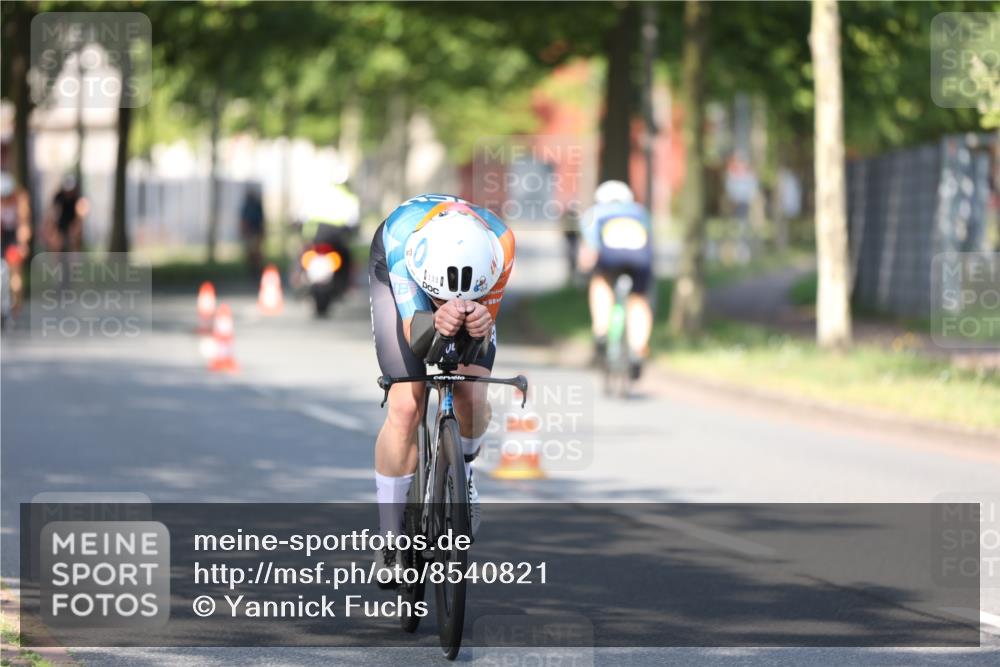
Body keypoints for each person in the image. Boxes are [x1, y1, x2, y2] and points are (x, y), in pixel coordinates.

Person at [368, 194, 515, 585]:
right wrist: (434, 318)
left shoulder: (500, 246)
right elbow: (413, 337)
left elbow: (478, 336)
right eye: (441, 296)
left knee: (471, 392)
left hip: (476, 284)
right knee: (406, 402)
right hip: (401, 276)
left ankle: (463, 473)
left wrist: (478, 319)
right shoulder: (403, 247)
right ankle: (389, 538)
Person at [577, 180, 654, 380]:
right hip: (640, 259)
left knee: (600, 281)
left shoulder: (596, 212)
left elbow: (590, 249)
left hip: (610, 257)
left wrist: (584, 269)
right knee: (639, 299)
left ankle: (601, 330)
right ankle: (639, 348)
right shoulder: (640, 212)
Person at [1, 171, 32, 319]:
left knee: (15, 273)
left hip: (13, 238)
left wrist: (23, 244)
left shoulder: (20, 201)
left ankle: (15, 305)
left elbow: (23, 225)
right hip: (2, 236)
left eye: (7, 197)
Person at [46, 174, 87, 252]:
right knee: (56, 243)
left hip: (72, 222)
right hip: (60, 223)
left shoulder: (77, 198)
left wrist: (76, 227)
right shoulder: (59, 197)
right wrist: (52, 227)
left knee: (74, 243)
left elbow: (81, 213)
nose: (69, 194)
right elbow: (53, 212)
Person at [239, 184, 265, 279]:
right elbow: (243, 219)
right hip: (249, 232)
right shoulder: (246, 205)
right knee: (250, 252)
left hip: (256, 231)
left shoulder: (257, 205)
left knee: (257, 251)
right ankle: (252, 270)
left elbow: (261, 219)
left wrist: (262, 231)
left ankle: (257, 269)